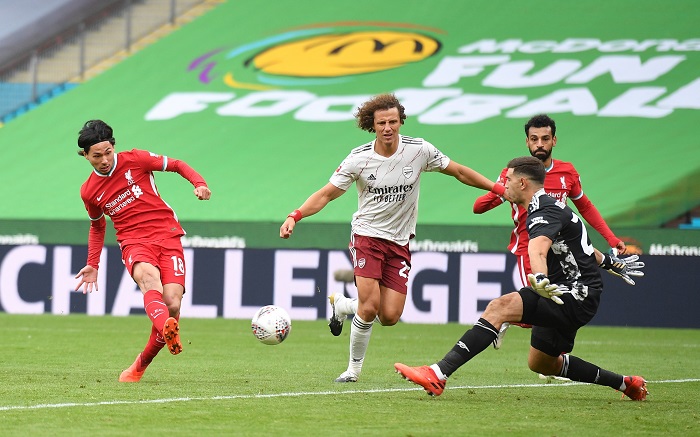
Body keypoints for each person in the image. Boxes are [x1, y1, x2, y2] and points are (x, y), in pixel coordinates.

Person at [279, 93, 507, 383]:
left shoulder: (419, 150)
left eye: (393, 122)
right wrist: (294, 216)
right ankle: (353, 370)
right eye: (381, 123)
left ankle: (342, 305)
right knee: (370, 306)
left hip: (400, 242)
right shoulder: (359, 158)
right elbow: (327, 194)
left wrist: (497, 189)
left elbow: (459, 171)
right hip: (367, 237)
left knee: (389, 316)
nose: (388, 128)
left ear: (401, 122)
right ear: (372, 125)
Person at [394, 156, 648, 401]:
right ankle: (626, 383)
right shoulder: (551, 206)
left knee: (499, 307)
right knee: (542, 363)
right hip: (574, 294)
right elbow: (578, 249)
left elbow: (537, 249)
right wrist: (609, 261)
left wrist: (539, 277)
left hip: (571, 295)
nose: (504, 185)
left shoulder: (541, 213)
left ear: (523, 183)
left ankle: (438, 373)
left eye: (508, 179)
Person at [73, 120, 211, 382]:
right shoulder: (89, 191)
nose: (104, 160)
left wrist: (199, 183)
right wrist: (93, 263)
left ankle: (141, 363)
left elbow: (177, 165)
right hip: (133, 241)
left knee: (171, 303)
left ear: (114, 147)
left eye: (107, 152)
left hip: (167, 234)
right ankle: (168, 329)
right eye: (96, 156)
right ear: (85, 156)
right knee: (149, 279)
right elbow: (97, 226)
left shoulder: (137, 159)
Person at [473, 114, 627, 349]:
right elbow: (479, 207)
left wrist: (611, 238)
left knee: (559, 304)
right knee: (539, 301)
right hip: (530, 247)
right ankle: (504, 319)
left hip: (562, 251)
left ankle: (553, 359)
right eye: (534, 139)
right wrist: (500, 190)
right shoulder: (515, 175)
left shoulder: (567, 172)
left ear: (554, 140)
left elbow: (585, 206)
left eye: (545, 138)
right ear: (527, 142)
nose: (539, 144)